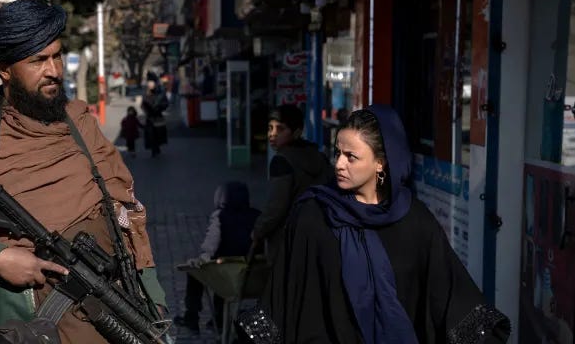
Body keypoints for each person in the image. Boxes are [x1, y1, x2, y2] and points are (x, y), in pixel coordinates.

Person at [0, 0, 166, 344]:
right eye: (38, 61)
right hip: (23, 326)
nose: (54, 71)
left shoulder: (78, 122)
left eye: (57, 55)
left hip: (109, 315)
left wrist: (156, 306)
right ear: (5, 69)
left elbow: (128, 219)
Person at [264, 105, 511, 343]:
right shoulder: (314, 214)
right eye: (338, 152)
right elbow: (284, 296)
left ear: (381, 163)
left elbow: (449, 294)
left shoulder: (414, 220)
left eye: (351, 157)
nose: (339, 164)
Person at [251, 104, 334, 264]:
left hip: (289, 242)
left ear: (296, 132)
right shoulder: (319, 157)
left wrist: (258, 231)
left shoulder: (282, 161)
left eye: (280, 129)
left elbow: (276, 207)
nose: (272, 135)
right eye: (270, 128)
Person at [174, 181, 260, 333]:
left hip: (227, 273)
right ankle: (220, 318)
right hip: (251, 274)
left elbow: (211, 244)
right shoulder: (257, 216)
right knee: (224, 271)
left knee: (199, 272)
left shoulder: (220, 216)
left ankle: (191, 317)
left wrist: (201, 259)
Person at [142, 72, 168, 157]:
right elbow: (143, 103)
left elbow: (165, 103)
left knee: (158, 133)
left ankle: (157, 147)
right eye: (148, 83)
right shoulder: (146, 92)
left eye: (151, 83)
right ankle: (154, 149)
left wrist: (158, 107)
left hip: (157, 116)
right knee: (151, 134)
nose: (149, 84)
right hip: (150, 117)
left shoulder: (159, 92)